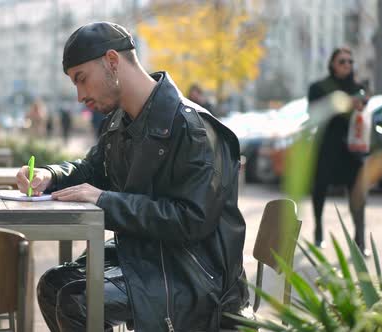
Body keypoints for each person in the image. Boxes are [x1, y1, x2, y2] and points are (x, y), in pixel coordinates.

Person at [16, 22, 249, 331]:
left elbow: (191, 220)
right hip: (148, 256)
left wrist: (104, 201)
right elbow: (92, 170)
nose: (79, 96)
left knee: (78, 299)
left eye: (81, 79)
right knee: (53, 285)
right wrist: (50, 174)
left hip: (196, 277)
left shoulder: (192, 128)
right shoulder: (118, 123)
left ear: (112, 61)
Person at [308, 47, 369, 255]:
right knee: (320, 189)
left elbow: (364, 116)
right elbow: (314, 112)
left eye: (350, 62)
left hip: (352, 149)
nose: (347, 65)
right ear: (333, 63)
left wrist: (359, 105)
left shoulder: (358, 88)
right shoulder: (319, 87)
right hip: (326, 146)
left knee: (358, 193)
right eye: (342, 61)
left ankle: (360, 241)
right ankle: (318, 230)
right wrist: (340, 104)